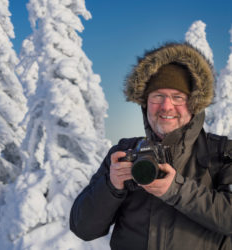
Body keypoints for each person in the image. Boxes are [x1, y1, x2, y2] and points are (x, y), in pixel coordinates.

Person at [69, 42, 232, 250]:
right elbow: (82, 228)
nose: (166, 106)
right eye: (158, 96)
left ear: (194, 104)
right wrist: (112, 187)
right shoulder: (124, 153)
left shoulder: (221, 153)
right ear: (146, 103)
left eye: (177, 97)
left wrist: (176, 190)